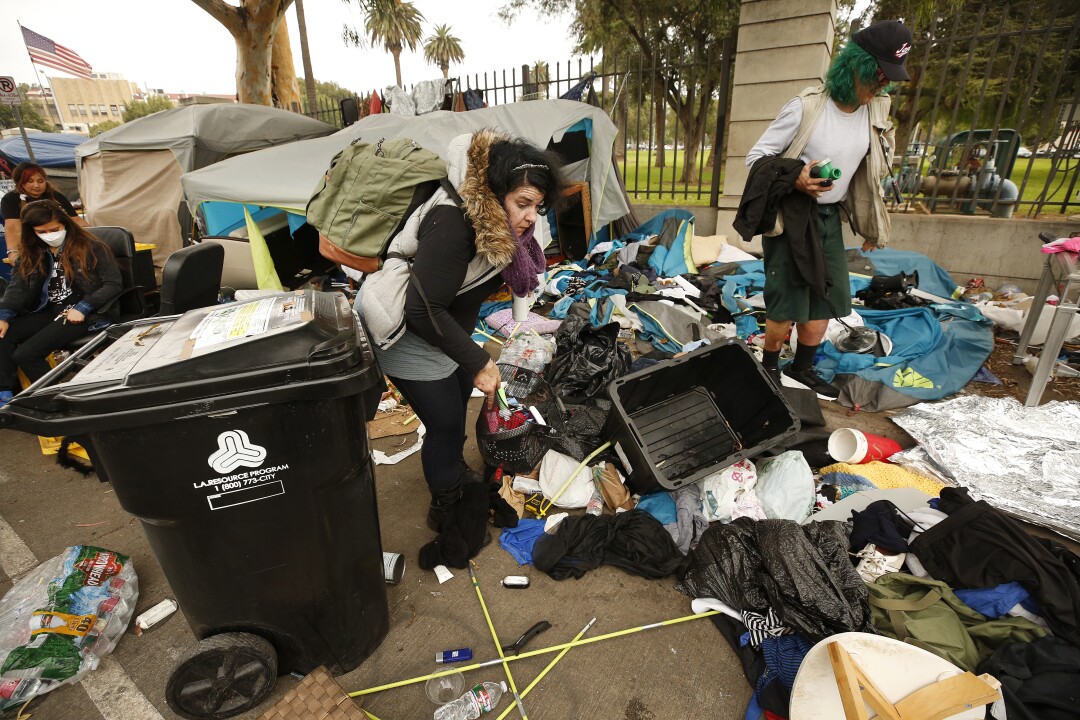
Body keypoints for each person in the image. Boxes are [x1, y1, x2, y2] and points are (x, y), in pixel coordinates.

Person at [357, 129, 560, 533]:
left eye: (538, 206)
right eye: (523, 204)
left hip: (437, 325)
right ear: (496, 190)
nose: (531, 217)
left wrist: (471, 354)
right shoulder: (455, 222)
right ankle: (445, 509)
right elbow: (421, 308)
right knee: (447, 420)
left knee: (454, 402)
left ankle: (451, 471)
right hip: (401, 327)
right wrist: (478, 359)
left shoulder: (497, 223)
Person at [743, 20, 913, 399]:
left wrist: (871, 225)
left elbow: (869, 174)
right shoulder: (805, 109)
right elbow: (756, 158)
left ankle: (802, 367)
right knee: (786, 300)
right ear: (856, 68)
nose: (882, 87)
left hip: (829, 219)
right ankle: (769, 369)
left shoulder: (875, 112)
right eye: (879, 77)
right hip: (792, 218)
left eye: (888, 80)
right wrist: (795, 179)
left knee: (827, 296)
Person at [0, 200, 122, 404]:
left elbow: (113, 284)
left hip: (89, 312)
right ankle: (5, 393)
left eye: (54, 229)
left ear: (65, 224)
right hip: (51, 310)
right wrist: (4, 316)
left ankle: (54, 402)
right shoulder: (33, 252)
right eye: (42, 231)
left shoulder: (91, 247)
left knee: (26, 354)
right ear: (33, 232)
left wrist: (83, 307)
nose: (50, 235)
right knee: (3, 333)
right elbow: (17, 287)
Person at [1, 162, 88, 267]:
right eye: (30, 181)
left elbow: (76, 221)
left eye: (40, 181)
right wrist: (13, 252)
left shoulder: (56, 196)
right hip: (33, 249)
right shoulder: (11, 199)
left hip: (65, 247)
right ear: (21, 183)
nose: (36, 185)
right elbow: (12, 228)